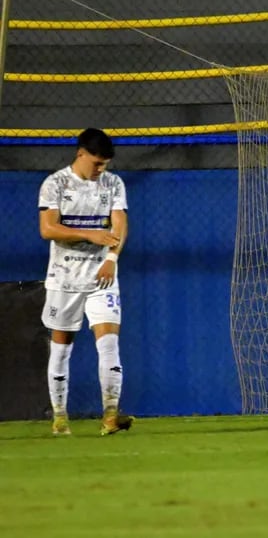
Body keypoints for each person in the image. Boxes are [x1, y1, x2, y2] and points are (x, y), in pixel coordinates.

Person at [39, 128, 134, 435]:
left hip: (101, 276)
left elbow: (120, 224)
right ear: (81, 154)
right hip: (64, 279)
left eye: (105, 164)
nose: (100, 170)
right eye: (96, 163)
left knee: (108, 343)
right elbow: (48, 229)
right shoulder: (55, 184)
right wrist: (89, 234)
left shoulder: (113, 183)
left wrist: (111, 259)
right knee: (62, 348)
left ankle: (109, 414)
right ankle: (60, 417)